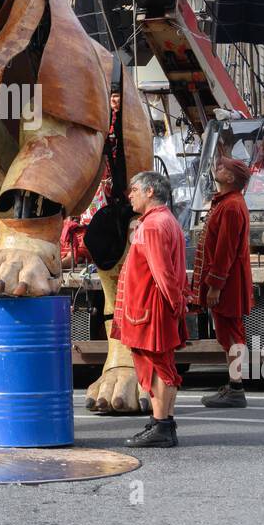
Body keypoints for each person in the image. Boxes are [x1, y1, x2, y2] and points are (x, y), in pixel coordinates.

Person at [114, 171, 188, 448]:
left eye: (134, 189)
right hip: (157, 306)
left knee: (157, 367)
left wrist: (174, 304)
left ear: (149, 192)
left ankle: (162, 426)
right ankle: (164, 421)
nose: (130, 194)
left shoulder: (153, 225)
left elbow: (162, 273)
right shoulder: (164, 221)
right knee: (162, 365)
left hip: (151, 308)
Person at [194, 157, 254, 408]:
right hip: (227, 280)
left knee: (230, 333)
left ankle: (236, 388)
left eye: (222, 168)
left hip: (227, 283)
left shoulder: (230, 206)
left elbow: (225, 250)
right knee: (229, 333)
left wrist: (215, 286)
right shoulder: (228, 203)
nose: (217, 170)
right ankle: (234, 385)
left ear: (230, 178)